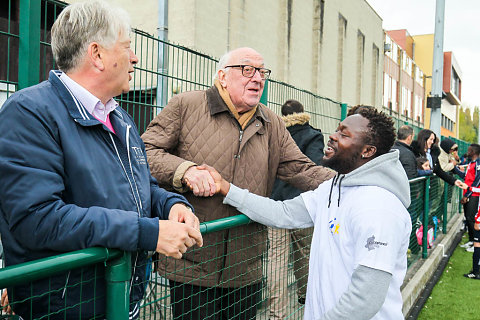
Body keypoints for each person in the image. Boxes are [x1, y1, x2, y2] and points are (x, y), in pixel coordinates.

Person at [0, 2, 202, 319]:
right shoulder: (28, 113)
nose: (134, 57)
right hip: (67, 308)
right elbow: (37, 219)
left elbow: (142, 187)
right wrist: (149, 233)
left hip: (120, 299)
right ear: (97, 55)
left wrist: (171, 205)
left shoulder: (118, 117)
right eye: (126, 46)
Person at [141, 47, 335, 319]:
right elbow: (144, 152)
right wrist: (185, 171)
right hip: (193, 262)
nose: (257, 78)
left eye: (262, 72)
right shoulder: (186, 106)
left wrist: (352, 183)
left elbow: (302, 170)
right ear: (222, 76)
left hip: (246, 266)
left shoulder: (272, 123)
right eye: (247, 70)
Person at [204, 105, 412, 319]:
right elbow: (282, 213)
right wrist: (227, 188)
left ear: (367, 151)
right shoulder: (333, 188)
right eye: (337, 129)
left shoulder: (380, 207)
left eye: (344, 134)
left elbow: (366, 298)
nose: (332, 136)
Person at [268, 99, 324, 318]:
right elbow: (315, 168)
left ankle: (276, 314)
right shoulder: (312, 136)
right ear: (304, 113)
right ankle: (306, 297)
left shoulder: (274, 135)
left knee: (276, 259)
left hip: (275, 205)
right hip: (303, 205)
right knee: (305, 254)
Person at [460, 144, 480, 251]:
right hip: (468, 193)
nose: (467, 152)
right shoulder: (471, 163)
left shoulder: (478, 163)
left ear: (473, 151)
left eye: (469, 150)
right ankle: (471, 240)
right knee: (468, 218)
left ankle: (475, 242)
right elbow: (467, 177)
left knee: (471, 218)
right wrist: (454, 169)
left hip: (474, 195)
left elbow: (477, 180)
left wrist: (467, 195)